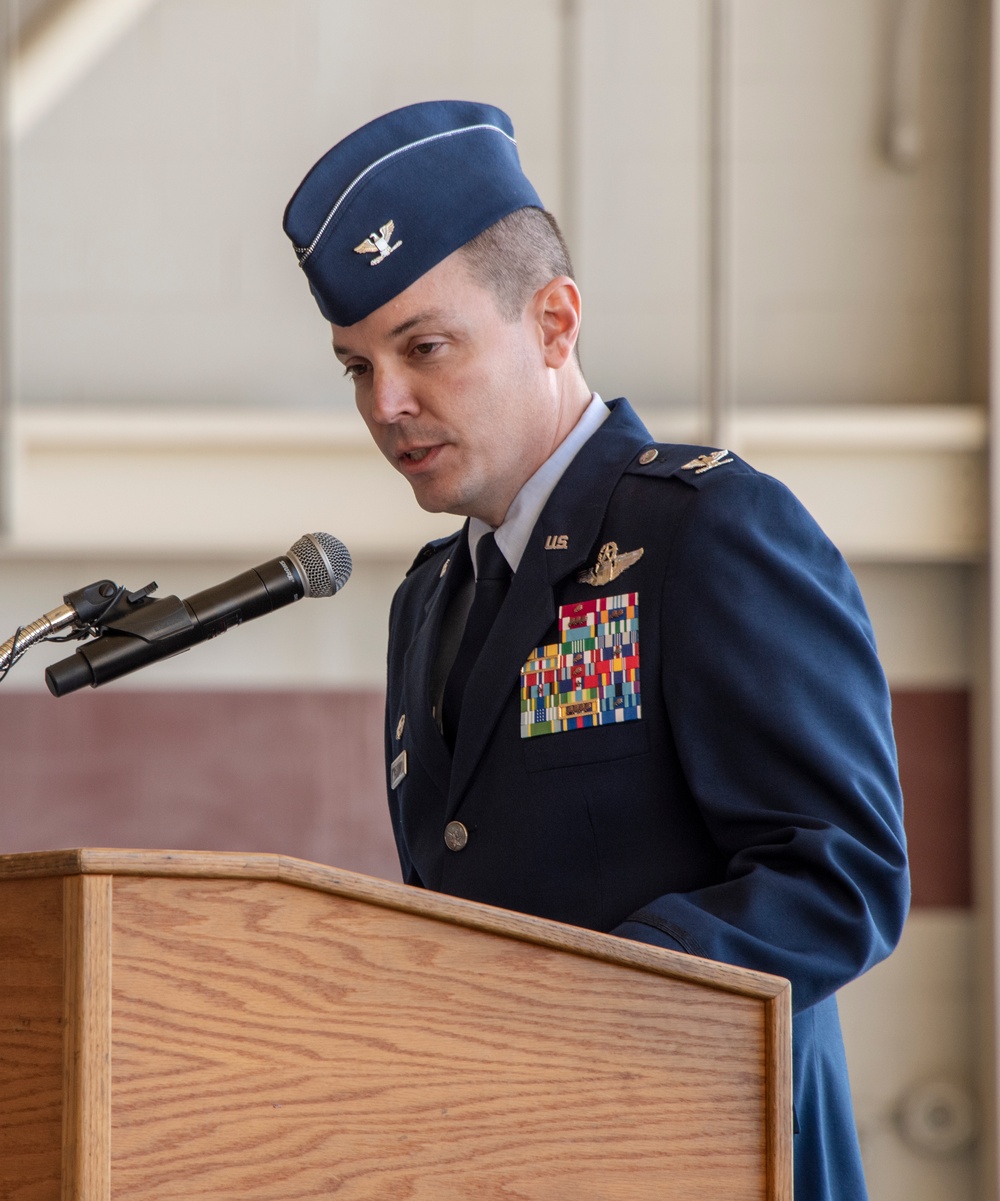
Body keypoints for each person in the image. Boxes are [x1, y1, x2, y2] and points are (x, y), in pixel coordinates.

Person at [283, 99, 909, 1200]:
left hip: (706, 1157)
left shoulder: (706, 531)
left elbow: (841, 874)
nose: (387, 405)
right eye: (356, 368)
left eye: (424, 348)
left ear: (555, 323)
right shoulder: (430, 600)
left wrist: (579, 1002)